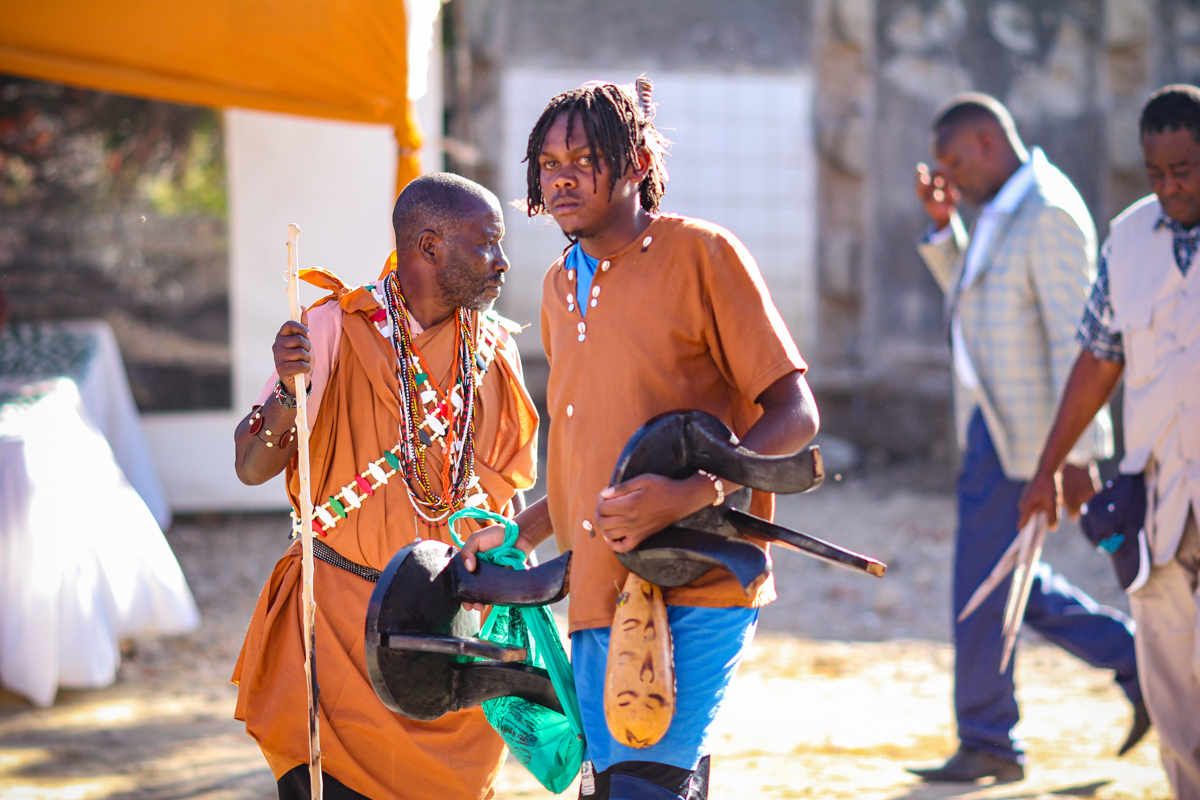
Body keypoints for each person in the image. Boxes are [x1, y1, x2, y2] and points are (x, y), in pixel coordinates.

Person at [460, 79, 819, 800]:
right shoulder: (559, 287)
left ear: (634, 163)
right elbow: (590, 458)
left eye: (585, 158)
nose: (562, 177)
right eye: (549, 162)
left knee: (643, 788)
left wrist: (693, 491)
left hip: (701, 577)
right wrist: (519, 534)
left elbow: (796, 413)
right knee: (621, 786)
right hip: (596, 593)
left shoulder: (703, 254)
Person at [230, 173, 539, 800]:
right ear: (429, 248)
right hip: (339, 638)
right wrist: (289, 397)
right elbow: (251, 466)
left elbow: (509, 497)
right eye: (487, 245)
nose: (504, 263)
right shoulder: (332, 328)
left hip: (451, 645)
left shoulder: (495, 348)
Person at [906, 93, 1147, 783]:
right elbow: (977, 297)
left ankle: (990, 738)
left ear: (987, 143)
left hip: (1035, 439)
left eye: (952, 161)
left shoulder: (1047, 213)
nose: (946, 175)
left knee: (985, 581)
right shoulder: (1000, 208)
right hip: (996, 428)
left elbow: (1085, 347)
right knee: (1002, 577)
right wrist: (941, 229)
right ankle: (1131, 660)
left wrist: (1074, 455)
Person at [1019, 84, 1200, 800]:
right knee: (1170, 681)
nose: (1169, 187)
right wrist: (1049, 466)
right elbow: (1097, 360)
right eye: (1155, 173)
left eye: (1184, 170)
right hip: (1158, 502)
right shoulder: (1128, 237)